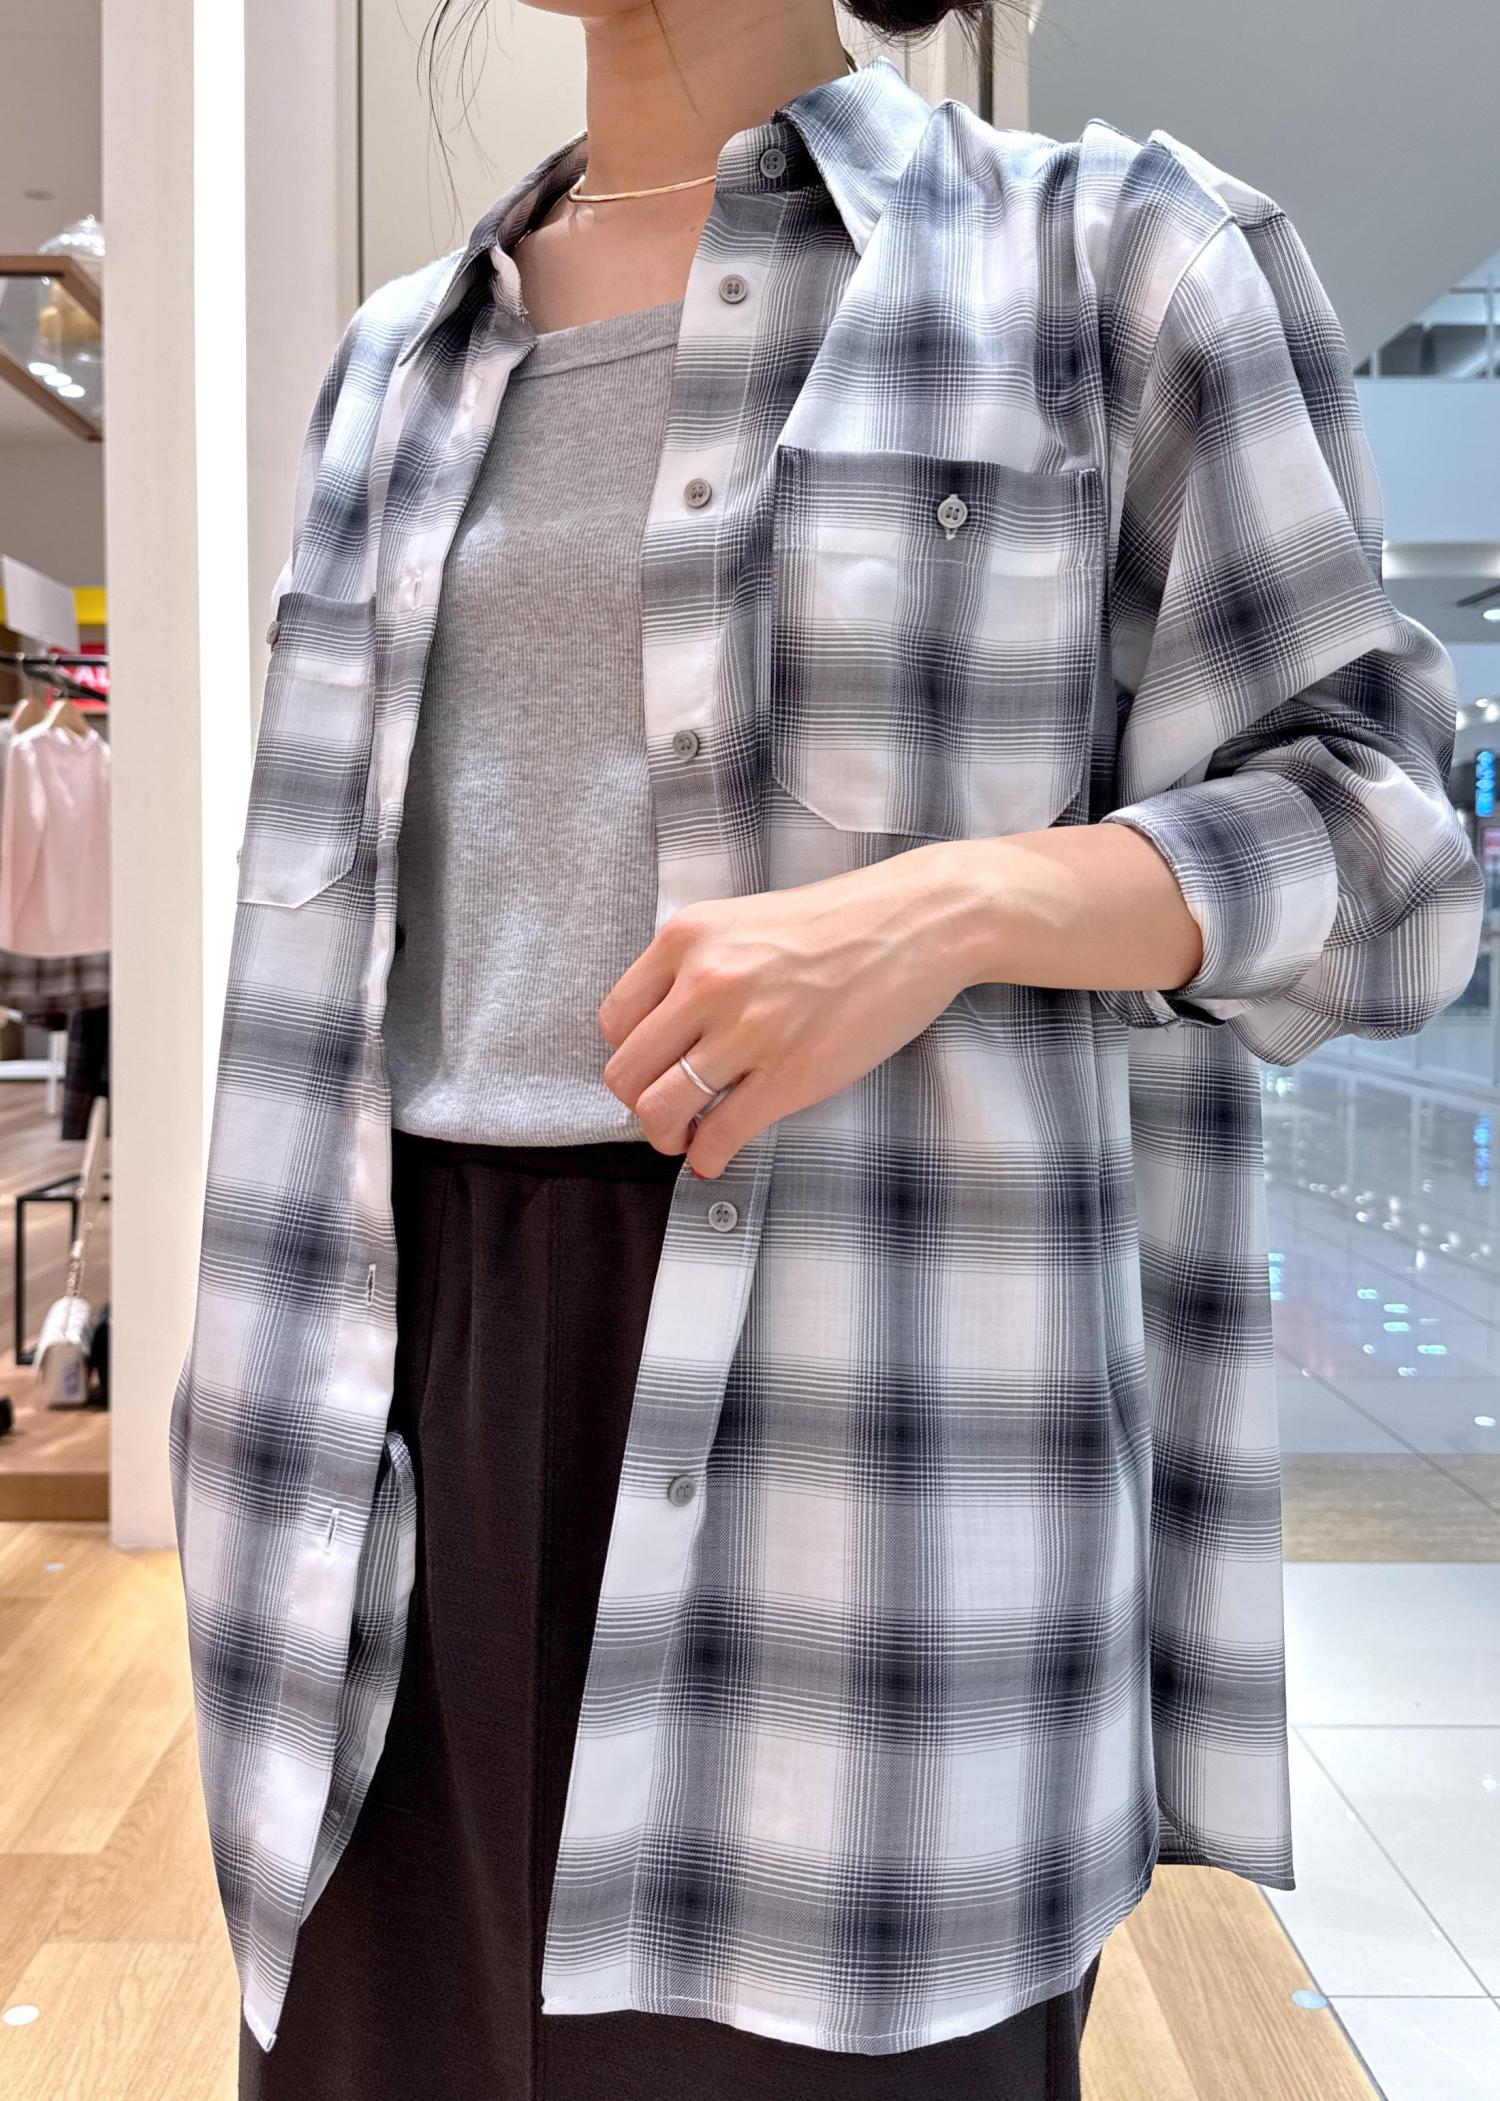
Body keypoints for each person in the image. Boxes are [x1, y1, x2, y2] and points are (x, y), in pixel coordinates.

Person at [166, 2, 1486, 2097]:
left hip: (871, 1447)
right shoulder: (396, 365)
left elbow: (1391, 850)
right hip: (388, 1436)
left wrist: (952, 907)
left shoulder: (1114, 261)